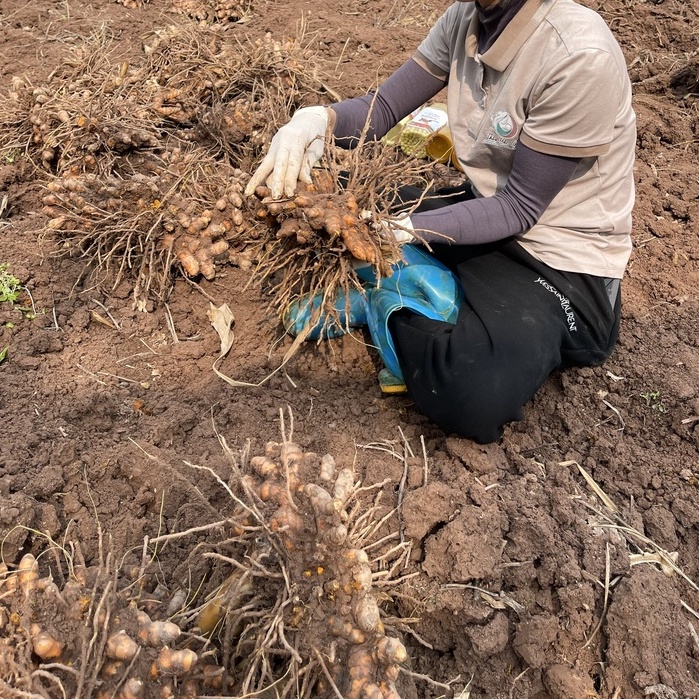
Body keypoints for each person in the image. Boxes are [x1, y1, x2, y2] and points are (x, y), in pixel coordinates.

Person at [245, 0, 636, 444]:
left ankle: (388, 300)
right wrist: (317, 120)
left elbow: (520, 207)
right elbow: (385, 106)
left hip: (556, 261)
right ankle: (420, 283)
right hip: (485, 210)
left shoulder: (579, 56)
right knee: (345, 196)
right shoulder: (466, 19)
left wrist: (407, 229)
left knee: (474, 391)